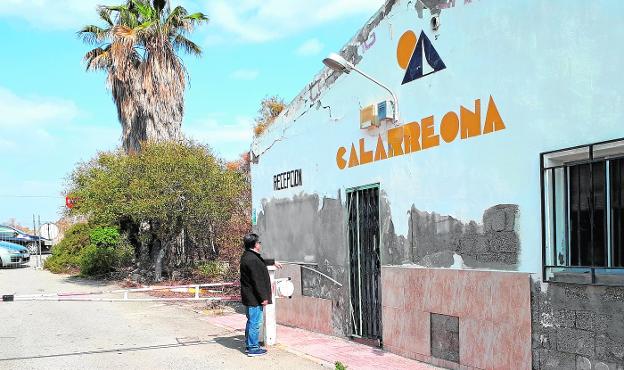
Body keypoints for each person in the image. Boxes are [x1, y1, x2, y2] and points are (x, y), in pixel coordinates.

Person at [240, 233, 279, 357]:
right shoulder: (251, 259)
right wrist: (264, 298)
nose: (260, 244)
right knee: (255, 323)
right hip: (254, 298)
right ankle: (253, 348)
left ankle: (249, 345)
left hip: (250, 296)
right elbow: (258, 281)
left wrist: (272, 262)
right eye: (259, 242)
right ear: (255, 244)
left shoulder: (248, 256)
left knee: (251, 321)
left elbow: (260, 262)